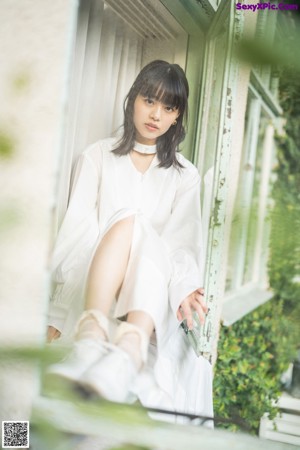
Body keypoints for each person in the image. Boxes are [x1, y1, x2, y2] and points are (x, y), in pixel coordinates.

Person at [47, 60, 213, 420]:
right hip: (96, 291)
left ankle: (114, 345)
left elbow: (181, 245)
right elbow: (75, 240)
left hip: (149, 304)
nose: (156, 114)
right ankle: (111, 345)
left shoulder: (185, 176)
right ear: (132, 99)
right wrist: (58, 315)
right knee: (130, 221)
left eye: (168, 107)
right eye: (149, 100)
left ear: (177, 116)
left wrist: (185, 286)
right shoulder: (96, 157)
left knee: (137, 225)